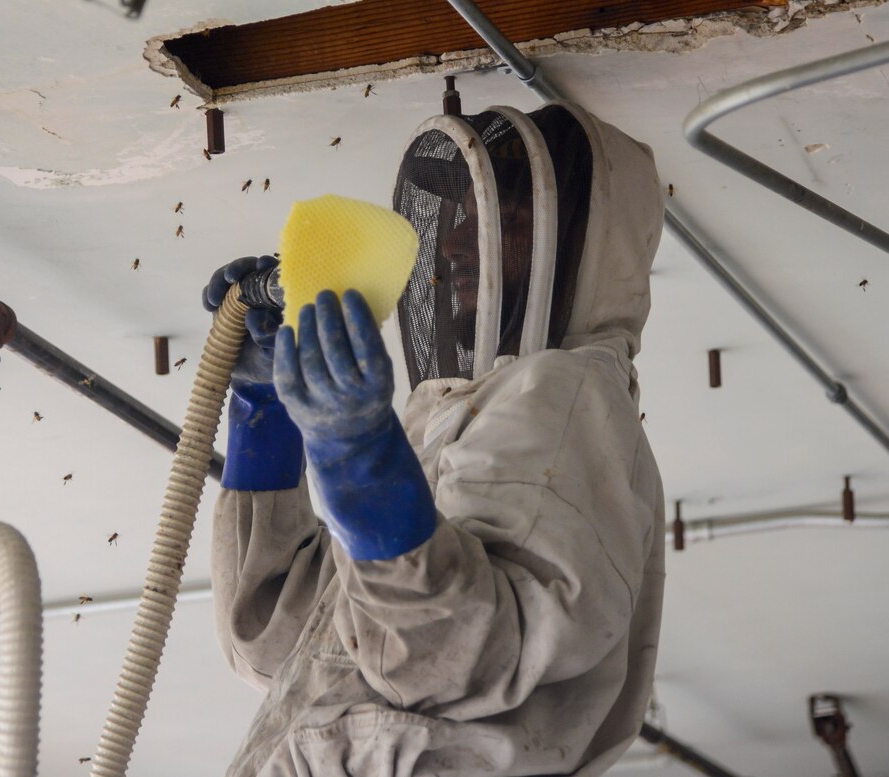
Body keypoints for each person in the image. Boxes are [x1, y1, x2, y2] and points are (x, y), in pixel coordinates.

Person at [202, 100, 665, 777]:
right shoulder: (449, 417)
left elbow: (449, 653)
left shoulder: (563, 392)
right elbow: (276, 644)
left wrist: (358, 459)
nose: (452, 246)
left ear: (575, 245)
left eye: (506, 220)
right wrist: (262, 411)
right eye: (460, 220)